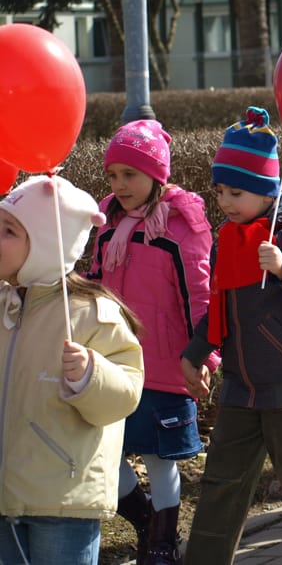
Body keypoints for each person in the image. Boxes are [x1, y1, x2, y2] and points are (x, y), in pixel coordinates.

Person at [180, 108, 282, 564]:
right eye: (220, 191)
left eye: (237, 191)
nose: (226, 201)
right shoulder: (227, 237)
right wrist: (196, 352)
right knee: (220, 487)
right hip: (240, 386)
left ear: (268, 190)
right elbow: (220, 305)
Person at [86, 119, 216, 563]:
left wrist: (203, 356)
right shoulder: (108, 222)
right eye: (113, 175)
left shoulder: (180, 226)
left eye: (131, 175)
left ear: (156, 175)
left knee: (162, 460)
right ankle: (145, 524)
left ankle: (162, 544)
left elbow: (200, 294)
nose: (120, 184)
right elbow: (97, 279)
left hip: (165, 363)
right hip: (114, 361)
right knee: (105, 451)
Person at [0, 175, 144, 565]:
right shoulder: (4, 304)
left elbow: (126, 394)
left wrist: (90, 375)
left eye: (8, 231)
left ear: (46, 245)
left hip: (64, 498)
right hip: (5, 493)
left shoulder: (93, 314)